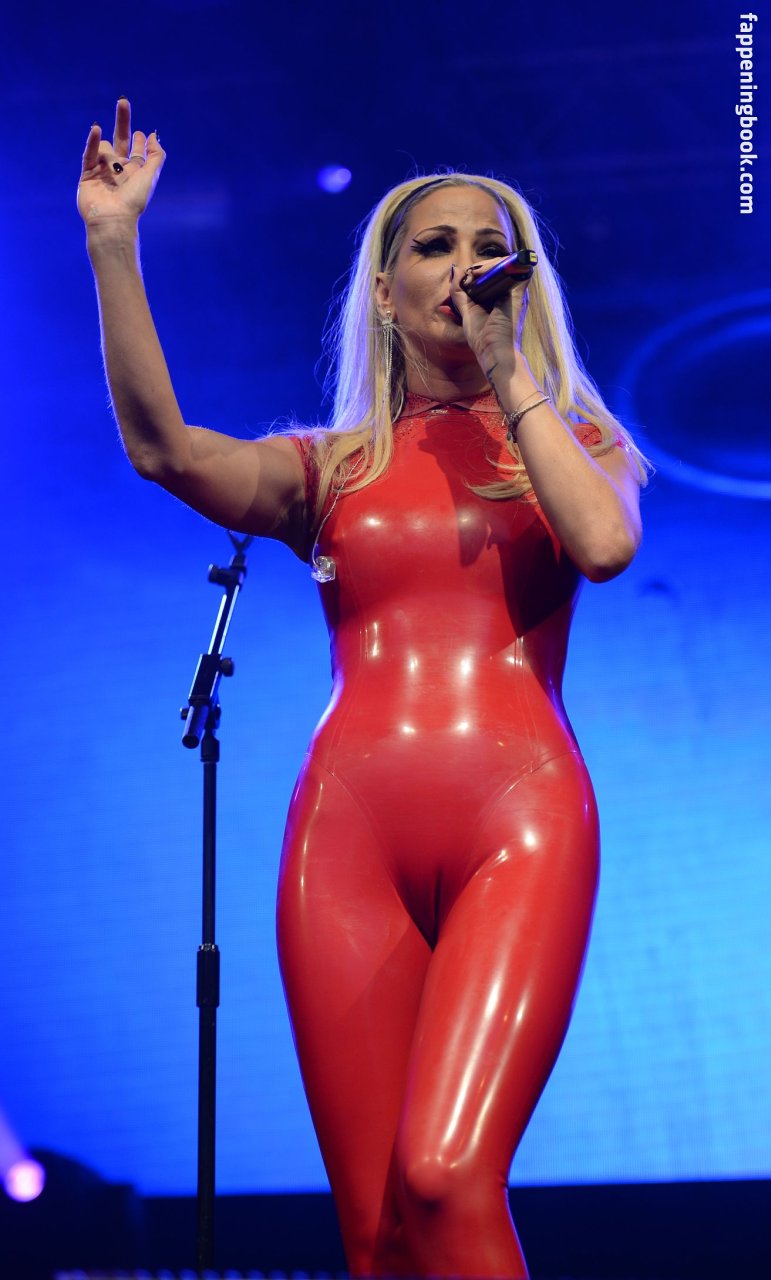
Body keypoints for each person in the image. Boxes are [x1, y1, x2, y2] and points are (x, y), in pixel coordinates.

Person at [79, 98, 648, 1280]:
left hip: (518, 821)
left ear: (519, 284)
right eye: (433, 246)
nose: (463, 266)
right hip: (346, 838)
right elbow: (163, 449)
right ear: (385, 293)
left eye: (487, 248)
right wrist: (113, 242)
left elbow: (602, 545)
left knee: (446, 1175)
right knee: (380, 1234)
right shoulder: (333, 467)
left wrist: (512, 373)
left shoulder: (576, 439)